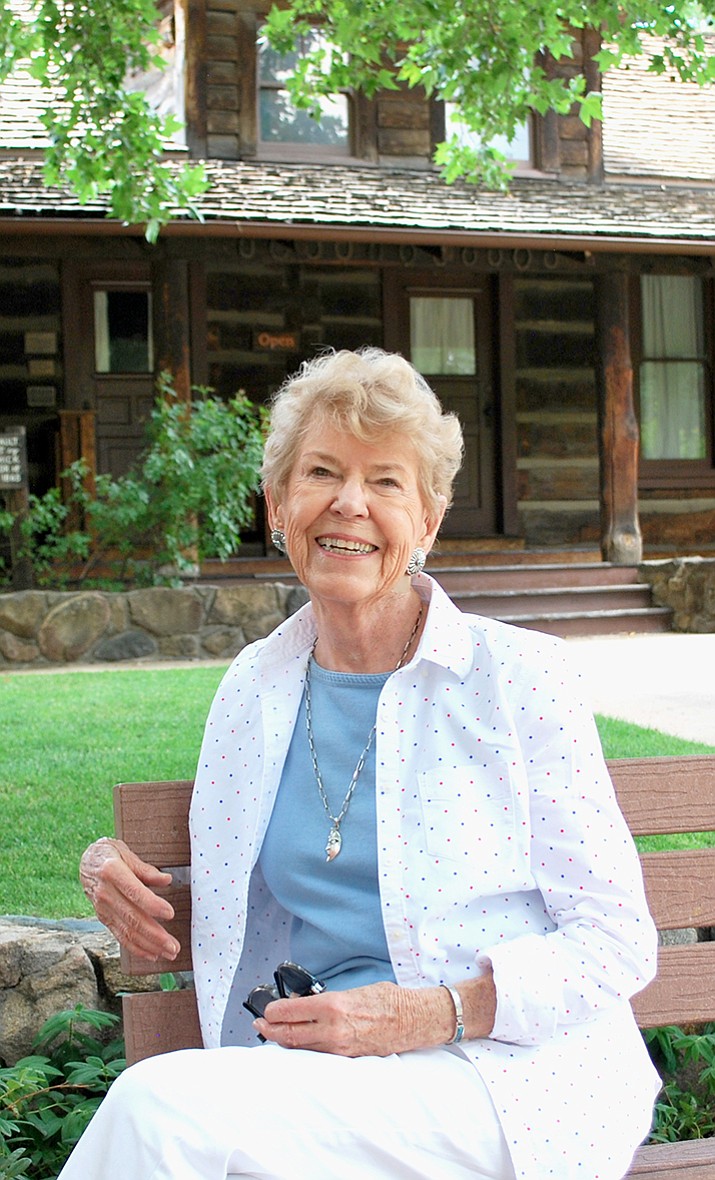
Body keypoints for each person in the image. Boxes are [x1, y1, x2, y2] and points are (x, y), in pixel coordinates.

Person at [61, 347, 660, 1180]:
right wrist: (105, 867)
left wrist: (428, 1015)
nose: (349, 503)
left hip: (513, 1076)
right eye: (320, 473)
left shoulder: (518, 677)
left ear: (429, 519)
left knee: (156, 1111)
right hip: (324, 1078)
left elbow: (616, 941)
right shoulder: (254, 688)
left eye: (386, 481)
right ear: (276, 504)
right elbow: (233, 892)